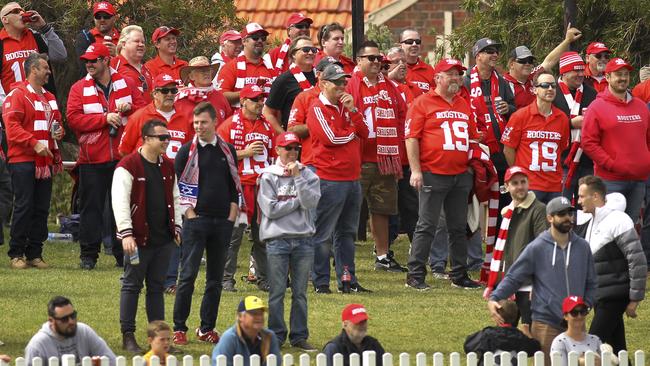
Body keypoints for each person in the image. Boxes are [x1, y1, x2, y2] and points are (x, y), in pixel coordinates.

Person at [487, 196, 598, 364]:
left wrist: (585, 305)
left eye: (570, 212)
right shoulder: (537, 247)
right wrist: (495, 297)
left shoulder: (583, 246)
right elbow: (514, 276)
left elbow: (592, 281)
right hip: (546, 322)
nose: (568, 217)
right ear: (550, 218)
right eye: (561, 214)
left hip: (576, 320)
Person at [67, 42, 145, 270]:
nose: (89, 64)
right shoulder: (79, 88)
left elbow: (143, 110)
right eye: (87, 61)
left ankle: (124, 254)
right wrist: (104, 119)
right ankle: (88, 256)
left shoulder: (127, 83)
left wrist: (128, 108)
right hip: (92, 158)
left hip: (122, 156)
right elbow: (73, 119)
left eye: (94, 60)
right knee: (90, 207)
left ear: (105, 61)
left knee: (122, 207)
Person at [405, 58, 480, 290]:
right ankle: (415, 275)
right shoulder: (422, 103)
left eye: (458, 74)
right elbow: (411, 138)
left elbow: (473, 136)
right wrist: (416, 170)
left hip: (459, 174)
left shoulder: (463, 104)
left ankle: (459, 274)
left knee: (458, 227)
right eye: (450, 74)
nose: (456, 78)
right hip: (432, 172)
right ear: (437, 78)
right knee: (427, 225)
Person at [172, 102, 240, 345]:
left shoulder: (227, 150)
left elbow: (234, 185)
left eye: (203, 122)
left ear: (214, 123)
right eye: (196, 123)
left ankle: (206, 328)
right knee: (188, 276)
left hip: (222, 223)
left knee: (215, 280)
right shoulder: (186, 152)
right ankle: (179, 328)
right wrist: (189, 214)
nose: (199, 127)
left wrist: (232, 216)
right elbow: (178, 186)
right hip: (196, 222)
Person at [112, 119, 182, 353]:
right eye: (162, 137)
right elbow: (119, 201)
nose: (166, 141)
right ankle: (128, 335)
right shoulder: (128, 165)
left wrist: (178, 227)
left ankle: (159, 340)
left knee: (156, 288)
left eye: (168, 137)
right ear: (147, 139)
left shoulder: (168, 166)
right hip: (137, 241)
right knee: (132, 285)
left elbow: (176, 197)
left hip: (163, 241)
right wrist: (126, 233)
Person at [307, 63, 369, 293]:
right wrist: (352, 132)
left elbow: (366, 133)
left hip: (352, 178)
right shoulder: (317, 108)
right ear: (324, 84)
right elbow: (331, 138)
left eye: (344, 82)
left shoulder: (346, 106)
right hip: (329, 179)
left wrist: (353, 112)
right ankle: (320, 281)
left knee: (347, 233)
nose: (342, 87)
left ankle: (347, 279)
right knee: (323, 233)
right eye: (337, 82)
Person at [258, 131, 321, 351]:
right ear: (278, 150)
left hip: (303, 240)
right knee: (276, 292)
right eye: (288, 148)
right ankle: (276, 335)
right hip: (277, 240)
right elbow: (271, 209)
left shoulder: (308, 175)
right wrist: (296, 203)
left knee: (300, 293)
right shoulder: (268, 176)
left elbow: (311, 202)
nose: (292, 152)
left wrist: (297, 178)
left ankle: (299, 336)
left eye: (296, 148)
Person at [348, 40, 406, 272]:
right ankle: (340, 256)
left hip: (384, 157)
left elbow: (402, 114)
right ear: (359, 60)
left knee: (381, 210)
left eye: (379, 59)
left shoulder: (389, 86)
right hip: (357, 158)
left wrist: (395, 146)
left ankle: (382, 256)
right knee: (349, 210)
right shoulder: (351, 84)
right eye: (371, 58)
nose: (376, 62)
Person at [3, 53, 63, 269]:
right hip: (23, 159)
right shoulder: (17, 95)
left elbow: (56, 124)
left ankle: (35, 253)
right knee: (24, 205)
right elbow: (12, 128)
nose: (48, 72)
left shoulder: (49, 97)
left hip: (44, 160)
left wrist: (58, 133)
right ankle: (16, 253)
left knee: (41, 208)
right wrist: (34, 142)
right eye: (44, 68)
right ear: (33, 70)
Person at [576, 175, 647, 353]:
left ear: (596, 197)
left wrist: (635, 299)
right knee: (618, 349)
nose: (578, 201)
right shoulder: (591, 221)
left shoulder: (618, 220)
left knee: (590, 349)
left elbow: (637, 260)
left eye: (582, 196)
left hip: (614, 296)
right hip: (601, 296)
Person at [217, 85, 275, 292]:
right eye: (255, 99)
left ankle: (264, 278)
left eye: (261, 99)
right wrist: (243, 153)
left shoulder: (267, 126)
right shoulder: (228, 126)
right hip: (239, 188)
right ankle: (225, 279)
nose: (260, 103)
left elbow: (274, 155)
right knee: (234, 236)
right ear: (242, 102)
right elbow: (217, 156)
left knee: (263, 236)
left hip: (263, 188)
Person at [581, 58, 650, 222]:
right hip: (610, 181)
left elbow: (647, 138)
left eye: (626, 74)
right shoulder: (596, 107)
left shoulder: (640, 106)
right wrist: (611, 164)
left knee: (630, 227)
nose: (623, 78)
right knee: (608, 229)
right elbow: (588, 143)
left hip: (639, 180)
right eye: (618, 74)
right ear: (608, 77)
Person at [483, 166, 549, 336]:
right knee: (505, 333)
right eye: (515, 183)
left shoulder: (538, 209)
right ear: (507, 186)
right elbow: (504, 251)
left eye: (523, 182)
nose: (520, 186)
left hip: (530, 283)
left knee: (531, 333)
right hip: (511, 279)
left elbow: (543, 246)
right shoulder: (508, 212)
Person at [502, 72, 570, 203]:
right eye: (545, 85)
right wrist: (519, 173)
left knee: (553, 223)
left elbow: (561, 148)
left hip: (554, 185)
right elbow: (508, 149)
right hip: (530, 185)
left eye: (553, 86)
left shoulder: (562, 118)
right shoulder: (520, 116)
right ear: (534, 90)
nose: (550, 89)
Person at [465, 38, 515, 199]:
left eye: (496, 52)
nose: (495, 55)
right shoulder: (465, 81)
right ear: (478, 55)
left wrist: (508, 108)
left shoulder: (501, 81)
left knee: (503, 198)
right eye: (489, 51)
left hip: (501, 150)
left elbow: (514, 109)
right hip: (478, 150)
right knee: (479, 199)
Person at [552, 52, 597, 201]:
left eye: (581, 70)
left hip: (587, 159)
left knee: (587, 208)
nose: (580, 74)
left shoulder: (591, 93)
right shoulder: (551, 92)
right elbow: (545, 122)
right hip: (561, 159)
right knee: (561, 206)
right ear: (563, 72)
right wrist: (570, 124)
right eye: (575, 71)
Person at [0, 2, 66, 102]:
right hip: (14, 108)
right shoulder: (1, 43)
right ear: (5, 19)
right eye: (16, 11)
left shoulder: (36, 37)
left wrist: (45, 27)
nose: (22, 13)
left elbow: (60, 56)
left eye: (23, 11)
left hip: (43, 104)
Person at [503, 26, 582, 109]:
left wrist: (567, 40)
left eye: (530, 60)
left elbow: (550, 61)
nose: (527, 64)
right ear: (511, 64)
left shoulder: (533, 75)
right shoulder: (503, 83)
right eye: (522, 61)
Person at [24, 296, 116, 366]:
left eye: (73, 316)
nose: (71, 321)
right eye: (64, 319)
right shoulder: (38, 345)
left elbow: (111, 361)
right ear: (51, 321)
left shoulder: (84, 332)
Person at [119, 73, 190, 160]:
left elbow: (191, 150)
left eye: (173, 90)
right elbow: (124, 151)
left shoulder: (185, 117)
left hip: (176, 172)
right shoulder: (139, 116)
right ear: (154, 93)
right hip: (146, 172)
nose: (170, 94)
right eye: (165, 91)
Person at [287, 57, 341, 169]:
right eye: (330, 70)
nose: (335, 72)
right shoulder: (304, 97)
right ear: (319, 74)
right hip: (314, 163)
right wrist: (318, 124)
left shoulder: (345, 98)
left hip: (342, 163)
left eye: (338, 70)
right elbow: (292, 131)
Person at [264, 36, 317, 133]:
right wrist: (285, 136)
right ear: (293, 54)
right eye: (305, 50)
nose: (310, 53)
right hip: (296, 140)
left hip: (319, 137)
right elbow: (267, 113)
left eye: (313, 50)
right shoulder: (283, 80)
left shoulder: (321, 76)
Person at [464, 300, 541, 365]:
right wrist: (527, 333)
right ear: (516, 316)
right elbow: (535, 348)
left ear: (496, 314)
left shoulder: (487, 334)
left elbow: (468, 345)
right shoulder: (520, 337)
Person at [216, 23, 276, 106]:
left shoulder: (271, 68)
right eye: (255, 38)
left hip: (266, 117)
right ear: (244, 41)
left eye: (263, 38)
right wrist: (247, 92)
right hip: (238, 117)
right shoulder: (231, 67)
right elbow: (220, 97)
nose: (260, 41)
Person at [211, 296, 281, 366]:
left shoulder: (269, 336)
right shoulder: (229, 338)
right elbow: (218, 363)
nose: (259, 317)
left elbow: (276, 363)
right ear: (240, 317)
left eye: (261, 313)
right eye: (254, 314)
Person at [176, 56, 231, 128]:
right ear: (191, 76)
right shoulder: (182, 99)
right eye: (201, 70)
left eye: (208, 70)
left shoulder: (220, 97)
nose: (206, 73)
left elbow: (228, 125)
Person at [550, 296, 602, 366]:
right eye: (574, 313)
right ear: (565, 316)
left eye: (583, 312)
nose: (579, 316)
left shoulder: (595, 340)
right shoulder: (560, 342)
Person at [74, 1, 119, 77]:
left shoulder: (123, 38)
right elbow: (83, 66)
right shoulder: (85, 38)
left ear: (114, 18)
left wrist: (117, 54)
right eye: (98, 16)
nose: (102, 20)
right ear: (94, 19)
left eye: (106, 16)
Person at [111, 25, 153, 103]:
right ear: (123, 44)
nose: (141, 44)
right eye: (137, 41)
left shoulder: (146, 69)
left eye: (143, 42)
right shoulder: (113, 65)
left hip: (147, 114)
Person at [399, 29, 434, 94]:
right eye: (409, 41)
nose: (414, 44)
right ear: (400, 46)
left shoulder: (430, 71)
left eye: (417, 42)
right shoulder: (392, 68)